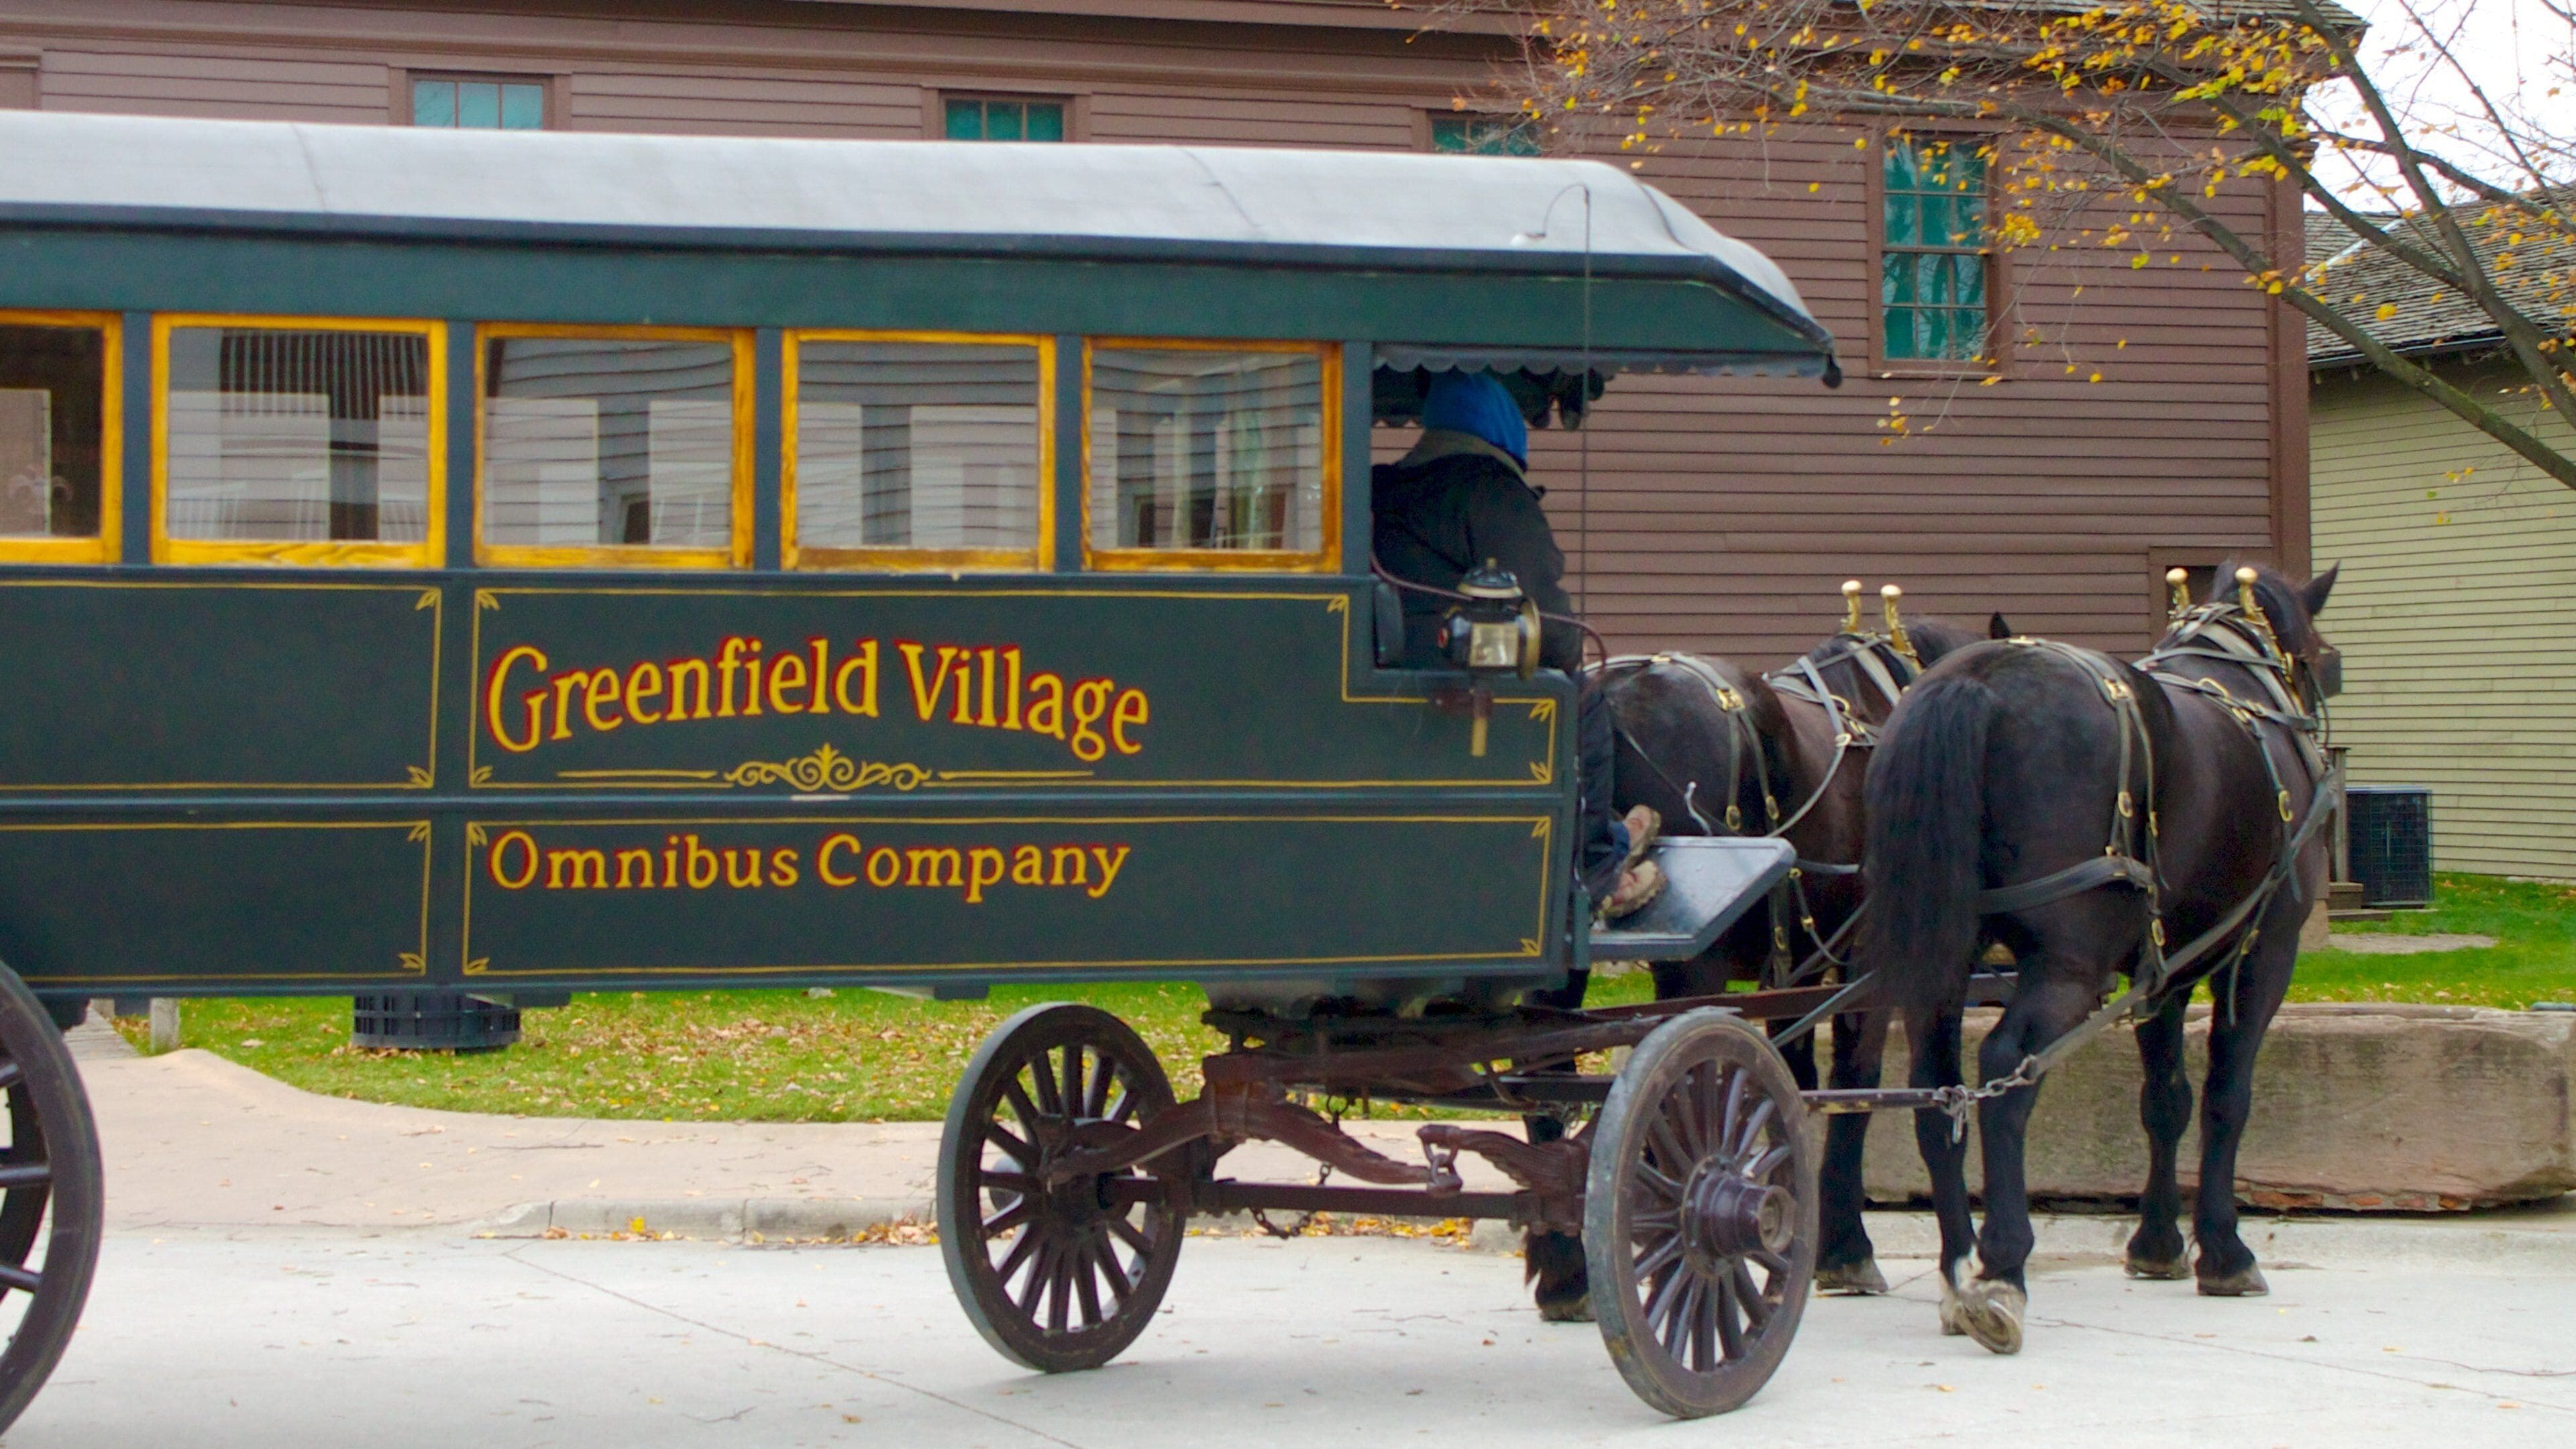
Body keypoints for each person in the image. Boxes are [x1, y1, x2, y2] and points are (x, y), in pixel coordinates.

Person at [1371, 370, 1662, 920]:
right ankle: (1597, 867)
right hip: (1459, 687)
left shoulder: (1382, 485)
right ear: (1504, 428)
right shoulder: (1491, 490)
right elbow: (1554, 634)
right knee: (1581, 700)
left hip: (1384, 681)